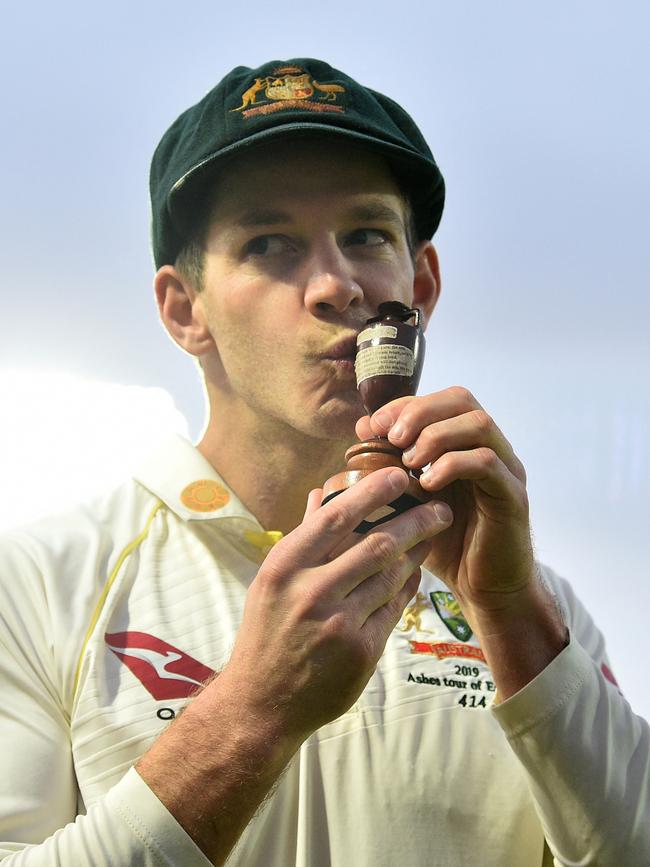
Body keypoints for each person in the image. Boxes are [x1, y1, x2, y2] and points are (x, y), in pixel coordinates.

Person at [0, 57, 647, 867]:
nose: (336, 284)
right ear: (183, 308)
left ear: (422, 283)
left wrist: (515, 612)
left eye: (366, 235)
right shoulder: (37, 582)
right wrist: (251, 712)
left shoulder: (530, 606)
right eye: (269, 243)